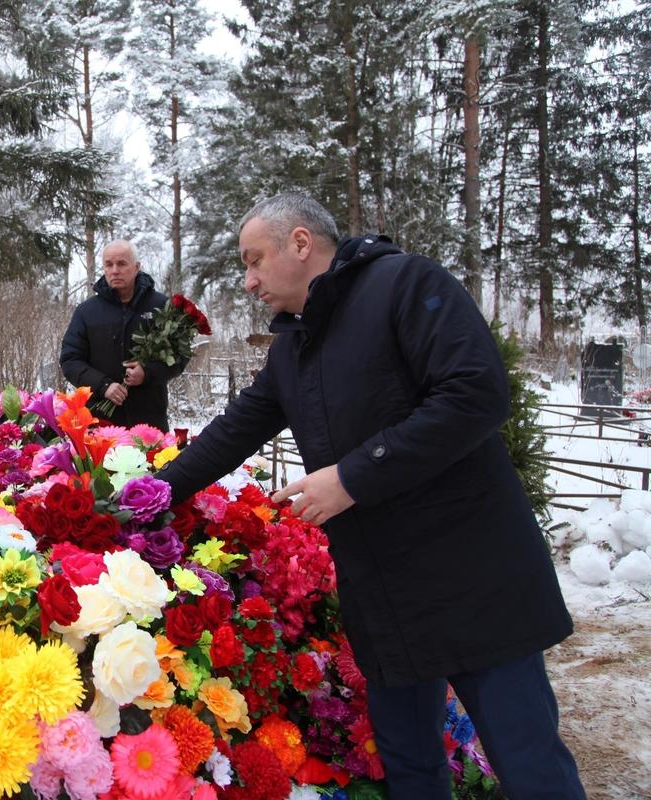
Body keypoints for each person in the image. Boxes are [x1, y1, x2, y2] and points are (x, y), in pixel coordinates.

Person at [156, 193, 584, 799]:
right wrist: (145, 495)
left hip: (472, 579)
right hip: (384, 598)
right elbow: (231, 433)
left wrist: (352, 476)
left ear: (300, 244)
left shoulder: (405, 285)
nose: (248, 281)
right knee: (409, 768)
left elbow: (476, 395)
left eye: (254, 261)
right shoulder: (293, 350)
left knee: (528, 762)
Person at [60, 239, 187, 431]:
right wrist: (103, 385)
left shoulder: (162, 307)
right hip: (101, 422)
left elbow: (180, 355)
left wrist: (147, 372)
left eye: (121, 264)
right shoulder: (87, 312)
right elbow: (70, 361)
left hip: (149, 422)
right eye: (109, 264)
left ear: (136, 267)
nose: (114, 270)